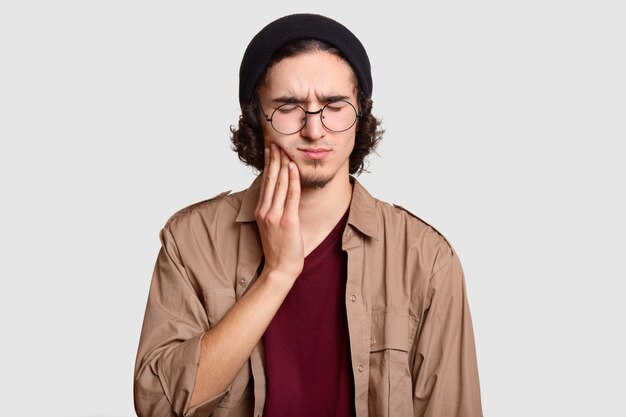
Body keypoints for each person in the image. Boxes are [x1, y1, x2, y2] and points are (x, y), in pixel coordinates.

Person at [134, 13, 483, 417]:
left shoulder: (426, 259)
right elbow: (158, 405)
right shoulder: (191, 240)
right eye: (288, 107)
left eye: (334, 105)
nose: (314, 129)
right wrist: (277, 276)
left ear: (360, 116)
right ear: (256, 119)